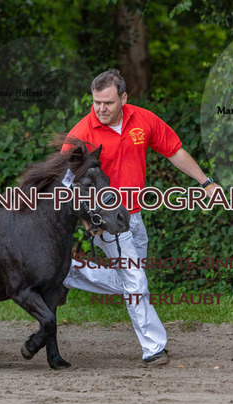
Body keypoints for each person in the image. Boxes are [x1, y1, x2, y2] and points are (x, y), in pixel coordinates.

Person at [62, 69, 219, 367]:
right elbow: (66, 186)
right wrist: (88, 222)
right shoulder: (81, 135)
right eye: (96, 102)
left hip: (134, 215)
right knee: (135, 283)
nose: (101, 109)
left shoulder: (143, 120)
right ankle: (153, 348)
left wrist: (205, 182)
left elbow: (174, 151)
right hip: (106, 221)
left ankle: (68, 272)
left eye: (108, 103)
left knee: (133, 280)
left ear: (123, 98)